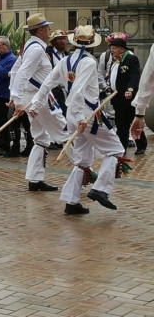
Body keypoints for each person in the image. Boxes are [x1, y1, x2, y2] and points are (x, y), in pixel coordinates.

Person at [29, 26, 126, 214]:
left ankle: (71, 201)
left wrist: (35, 105)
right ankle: (100, 189)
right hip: (87, 115)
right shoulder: (89, 62)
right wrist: (81, 117)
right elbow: (78, 90)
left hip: (74, 116)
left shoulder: (65, 60)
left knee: (82, 159)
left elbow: (47, 82)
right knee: (115, 150)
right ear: (91, 43)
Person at [10, 13, 71, 192]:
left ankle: (35, 179)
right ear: (42, 29)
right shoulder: (36, 49)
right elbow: (21, 73)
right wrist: (17, 100)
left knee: (40, 138)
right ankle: (84, 171)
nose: (50, 30)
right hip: (40, 98)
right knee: (64, 133)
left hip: (34, 97)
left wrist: (15, 98)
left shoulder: (29, 47)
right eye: (48, 27)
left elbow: (15, 71)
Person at [105, 36, 146, 154]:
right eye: (112, 48)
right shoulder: (114, 59)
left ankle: (141, 144)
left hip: (128, 97)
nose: (112, 50)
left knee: (132, 121)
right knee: (121, 123)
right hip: (117, 97)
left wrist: (130, 89)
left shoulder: (131, 59)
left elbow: (135, 76)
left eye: (114, 48)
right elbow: (113, 75)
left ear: (122, 49)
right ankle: (121, 147)